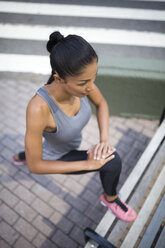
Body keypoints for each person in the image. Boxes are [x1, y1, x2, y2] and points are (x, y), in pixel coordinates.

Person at [13, 31, 137, 222]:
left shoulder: (82, 84)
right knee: (112, 161)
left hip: (62, 143)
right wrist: (90, 164)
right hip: (57, 156)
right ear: (59, 77)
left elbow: (101, 103)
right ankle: (110, 199)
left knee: (40, 148)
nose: (90, 87)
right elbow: (35, 166)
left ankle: (23, 154)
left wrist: (104, 140)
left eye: (93, 77)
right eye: (84, 82)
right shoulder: (38, 108)